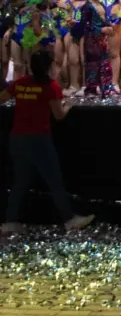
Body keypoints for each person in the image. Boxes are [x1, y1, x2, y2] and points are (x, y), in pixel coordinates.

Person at [1, 50, 94, 234]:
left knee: (20, 182)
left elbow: (2, 98)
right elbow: (58, 115)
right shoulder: (51, 87)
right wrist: (68, 105)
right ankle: (69, 219)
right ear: (49, 67)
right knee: (54, 180)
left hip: (17, 139)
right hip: (39, 141)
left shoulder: (20, 83)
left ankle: (10, 221)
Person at [74, 0, 116, 98]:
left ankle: (106, 88)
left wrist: (109, 26)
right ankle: (91, 89)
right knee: (92, 64)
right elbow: (86, 26)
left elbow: (104, 20)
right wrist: (101, 30)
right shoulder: (87, 7)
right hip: (92, 41)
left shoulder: (101, 5)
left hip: (102, 40)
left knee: (105, 63)